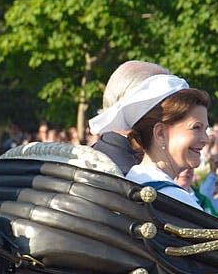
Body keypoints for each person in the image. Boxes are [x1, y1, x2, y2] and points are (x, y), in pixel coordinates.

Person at [87, 74, 209, 210]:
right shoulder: (174, 199)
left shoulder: (133, 182)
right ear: (160, 133)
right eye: (196, 128)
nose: (206, 139)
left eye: (206, 129)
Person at [91, 60, 170, 174]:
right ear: (137, 106)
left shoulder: (98, 156)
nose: (174, 110)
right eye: (165, 103)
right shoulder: (133, 177)